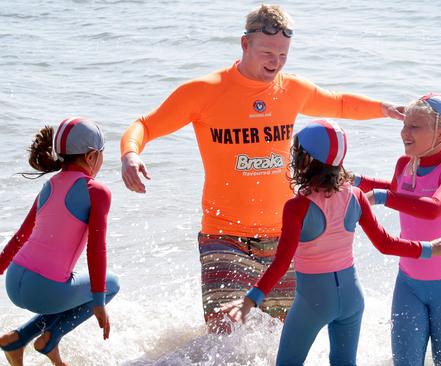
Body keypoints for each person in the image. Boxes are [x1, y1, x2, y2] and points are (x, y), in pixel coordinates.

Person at [119, 4, 405, 333]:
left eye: (283, 55)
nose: (275, 62)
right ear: (245, 44)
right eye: (267, 52)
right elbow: (145, 125)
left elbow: (339, 102)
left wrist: (384, 109)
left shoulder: (292, 89)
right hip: (223, 234)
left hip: (286, 236)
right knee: (221, 338)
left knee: (278, 339)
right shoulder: (205, 91)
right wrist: (130, 153)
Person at [220, 120, 441, 366]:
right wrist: (430, 248)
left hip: (313, 302)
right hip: (352, 298)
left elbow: (282, 262)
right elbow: (386, 244)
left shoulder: (297, 207)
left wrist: (251, 299)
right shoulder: (355, 196)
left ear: (305, 160)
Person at [354, 94, 441, 365]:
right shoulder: (404, 164)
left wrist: (383, 197)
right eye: (404, 125)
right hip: (408, 284)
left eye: (414, 127)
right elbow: (401, 192)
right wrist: (356, 181)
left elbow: (433, 208)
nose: (404, 133)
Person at [0, 117, 120, 366]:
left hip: (14, 281)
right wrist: (99, 302)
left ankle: (16, 340)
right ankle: (50, 337)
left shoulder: (49, 185)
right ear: (90, 157)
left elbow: (21, 236)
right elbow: (96, 248)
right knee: (112, 284)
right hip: (43, 292)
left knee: (68, 281)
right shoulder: (96, 191)